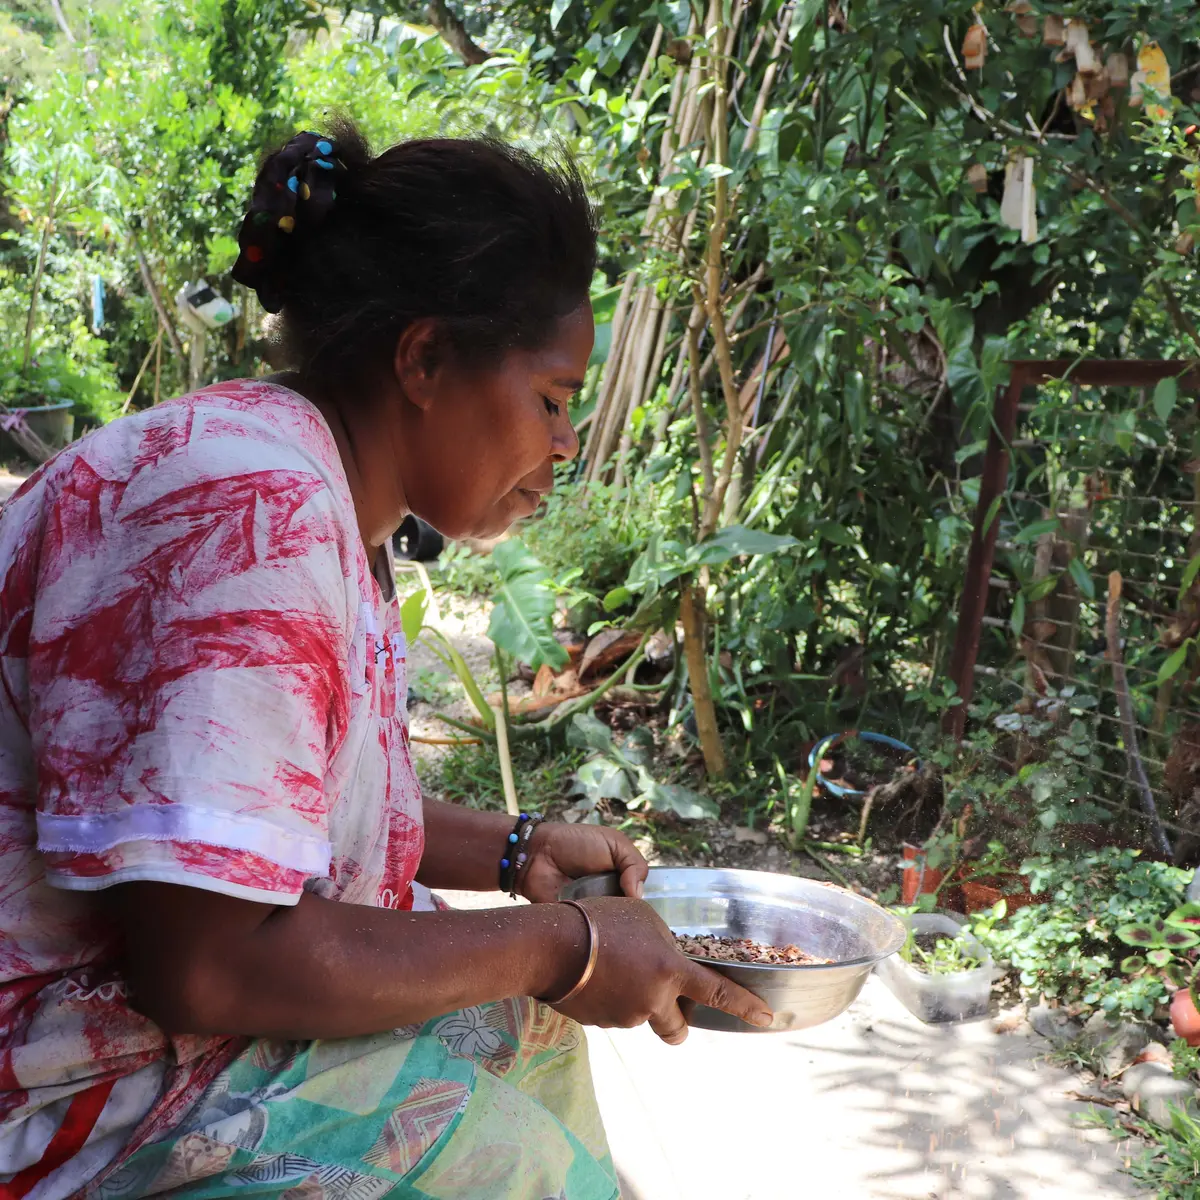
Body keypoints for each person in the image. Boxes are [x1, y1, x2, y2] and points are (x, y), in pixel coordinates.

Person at [0, 124, 772, 1200]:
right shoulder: (246, 515)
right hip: (53, 1100)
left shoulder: (308, 500)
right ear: (423, 359)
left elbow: (263, 827)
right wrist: (564, 946)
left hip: (124, 1035)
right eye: (552, 400)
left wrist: (517, 854)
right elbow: (207, 963)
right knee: (515, 1138)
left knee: (523, 1034)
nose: (565, 445)